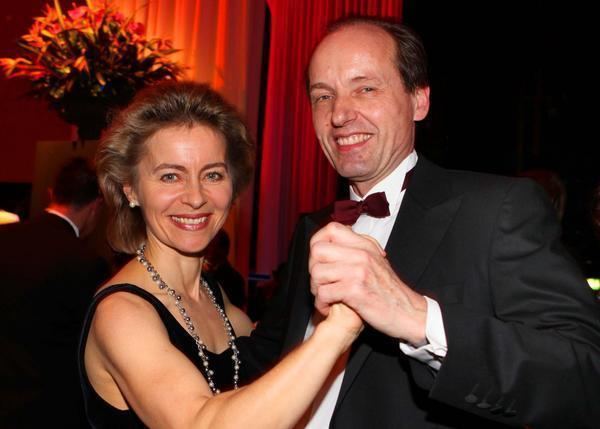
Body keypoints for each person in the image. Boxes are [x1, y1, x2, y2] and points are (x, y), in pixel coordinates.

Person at [238, 17, 600, 428]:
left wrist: (418, 318)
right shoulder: (312, 229)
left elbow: (585, 373)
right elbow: (265, 358)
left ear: (419, 100)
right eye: (323, 96)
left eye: (366, 88)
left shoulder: (496, 209)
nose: (339, 114)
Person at [80, 81, 363, 428]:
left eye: (212, 174)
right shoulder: (121, 314)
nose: (196, 197)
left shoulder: (222, 305)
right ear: (131, 190)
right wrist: (337, 331)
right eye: (171, 176)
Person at [0, 157, 108, 428]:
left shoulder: (5, 237)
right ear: (96, 207)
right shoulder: (85, 262)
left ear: (51, 193)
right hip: (48, 408)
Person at [203, 228, 247, 309]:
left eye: (212, 246)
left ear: (223, 250)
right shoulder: (203, 273)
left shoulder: (234, 279)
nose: (208, 250)